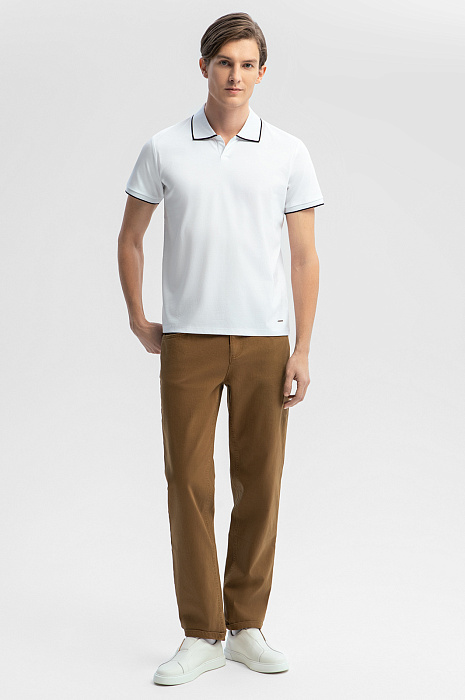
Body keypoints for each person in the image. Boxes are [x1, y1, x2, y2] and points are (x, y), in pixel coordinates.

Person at [117, 11, 324, 687]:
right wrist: (139, 317)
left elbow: (304, 258)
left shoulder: (288, 152)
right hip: (188, 341)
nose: (235, 75)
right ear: (203, 66)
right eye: (223, 62)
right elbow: (130, 237)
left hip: (265, 340)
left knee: (260, 482)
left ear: (262, 72)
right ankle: (201, 632)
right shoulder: (164, 147)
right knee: (188, 482)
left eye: (246, 64)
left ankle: (246, 627)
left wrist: (301, 348)